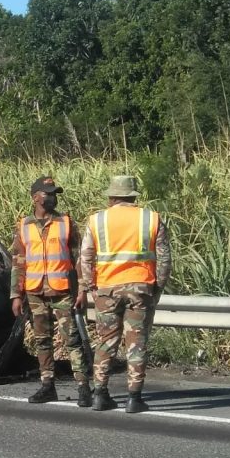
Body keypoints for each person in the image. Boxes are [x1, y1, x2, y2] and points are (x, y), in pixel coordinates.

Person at [77, 176, 172, 413]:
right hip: (140, 288)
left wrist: (91, 286)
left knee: (106, 341)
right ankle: (134, 398)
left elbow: (85, 257)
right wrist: (157, 287)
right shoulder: (151, 218)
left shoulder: (97, 220)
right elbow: (164, 259)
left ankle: (100, 395)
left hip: (106, 289)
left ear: (112, 197)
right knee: (137, 343)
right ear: (133, 196)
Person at [11, 176, 92, 406]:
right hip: (35, 291)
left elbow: (78, 259)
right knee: (42, 341)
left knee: (72, 339)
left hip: (62, 290)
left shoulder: (65, 223)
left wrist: (82, 289)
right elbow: (18, 262)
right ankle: (47, 386)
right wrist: (16, 295)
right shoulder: (24, 226)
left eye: (55, 194)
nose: (52, 198)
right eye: (48, 193)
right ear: (35, 197)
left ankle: (83, 387)